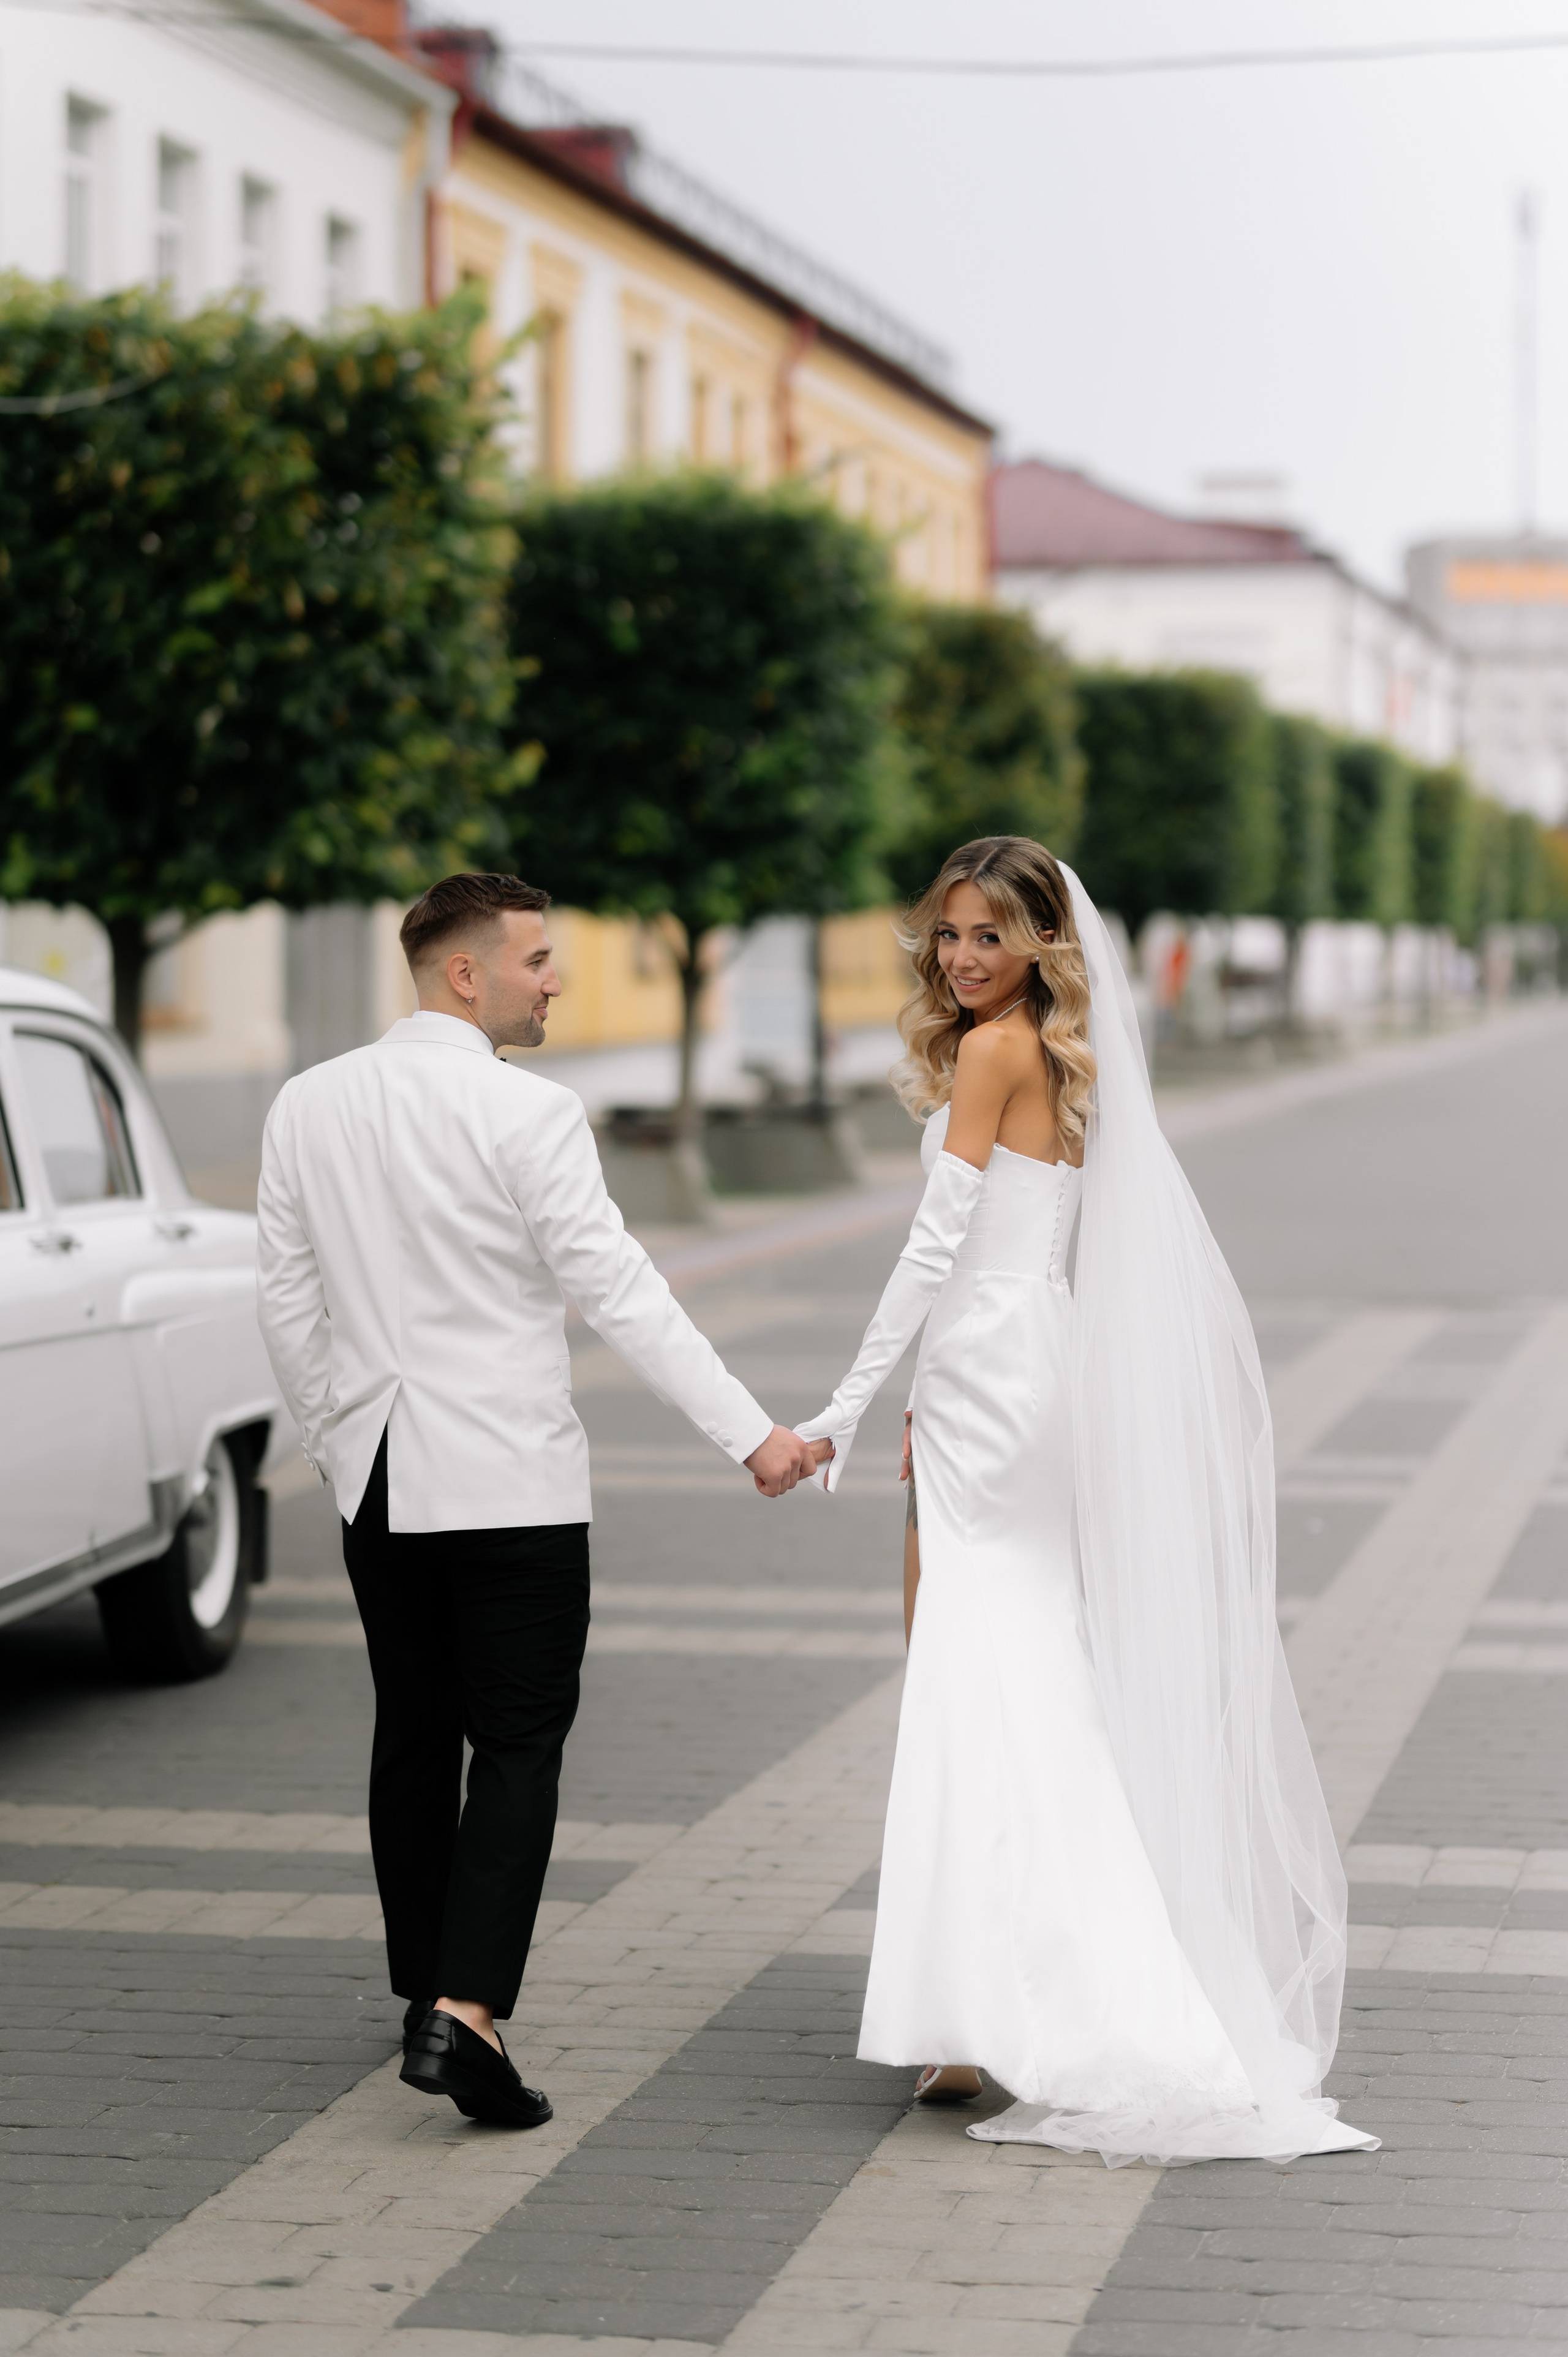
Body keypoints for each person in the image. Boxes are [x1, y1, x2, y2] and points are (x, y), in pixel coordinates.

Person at [796, 837, 1376, 2167]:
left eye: (987, 937)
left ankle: (981, 2011)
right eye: (946, 935)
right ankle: (979, 2006)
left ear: (1038, 945)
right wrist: (926, 1384)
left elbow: (936, 1248)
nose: (959, 959)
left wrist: (835, 1408)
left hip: (985, 1376)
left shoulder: (994, 1053)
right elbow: (1019, 1254)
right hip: (1023, 1364)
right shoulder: (1057, 1058)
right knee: (1015, 1661)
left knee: (963, 1667)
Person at [257, 872, 816, 2131]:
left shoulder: (308, 1103)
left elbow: (286, 1304)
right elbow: (618, 1292)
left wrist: (338, 1439)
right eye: (539, 958)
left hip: (377, 1477)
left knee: (412, 1729)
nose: (555, 977)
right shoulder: (531, 1115)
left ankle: (424, 1987)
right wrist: (750, 1433)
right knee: (514, 1742)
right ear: (468, 972)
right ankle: (462, 2015)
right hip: (505, 1480)